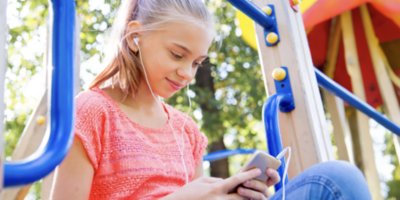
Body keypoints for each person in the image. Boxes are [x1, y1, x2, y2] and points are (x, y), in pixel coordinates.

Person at [51, 0, 372, 199]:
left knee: (338, 179)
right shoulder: (92, 112)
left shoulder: (186, 131)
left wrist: (230, 192)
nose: (187, 74)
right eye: (177, 54)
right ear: (135, 37)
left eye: (196, 62)